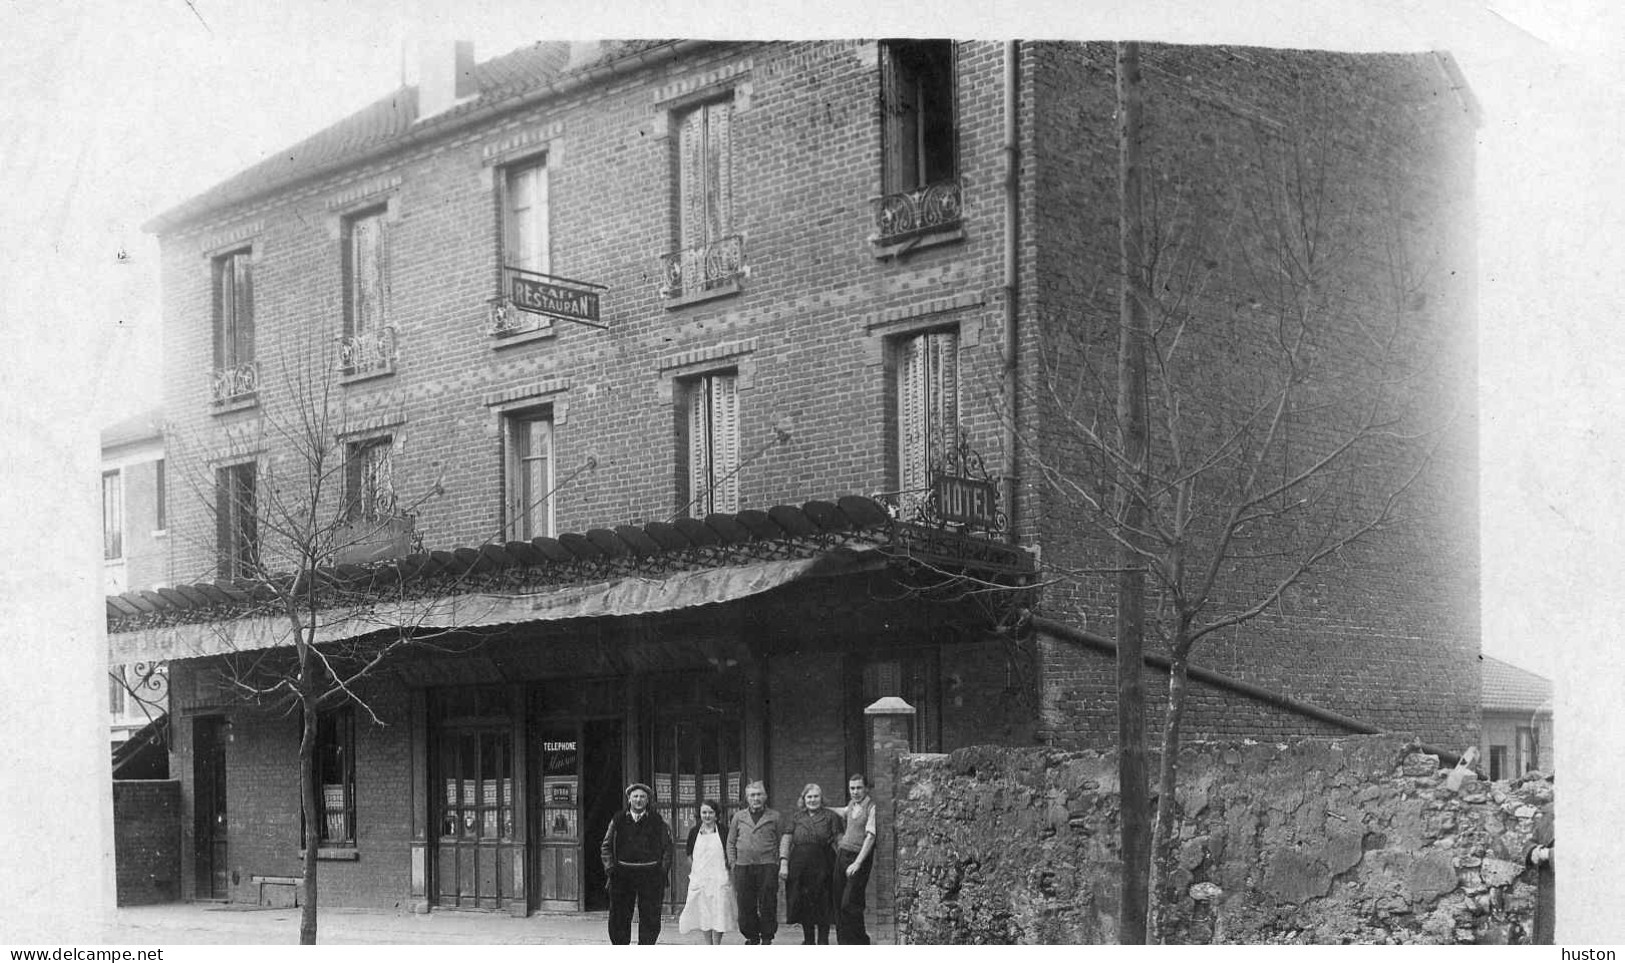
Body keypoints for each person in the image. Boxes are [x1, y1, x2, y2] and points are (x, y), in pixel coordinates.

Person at [600, 782, 672, 945]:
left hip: (651, 874)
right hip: (623, 874)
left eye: (642, 797)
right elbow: (606, 845)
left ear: (648, 800)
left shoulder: (657, 820)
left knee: (651, 916)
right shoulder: (618, 820)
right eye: (635, 796)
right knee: (619, 915)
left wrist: (662, 871)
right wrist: (610, 869)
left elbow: (668, 848)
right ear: (629, 799)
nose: (638, 800)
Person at [779, 782, 844, 945]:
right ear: (804, 799)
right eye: (809, 797)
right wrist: (784, 862)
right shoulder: (796, 817)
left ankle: (823, 940)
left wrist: (844, 862)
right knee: (804, 903)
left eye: (816, 796)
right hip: (800, 866)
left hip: (824, 864)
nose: (812, 800)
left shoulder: (831, 816)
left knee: (824, 902)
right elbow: (786, 839)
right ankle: (808, 940)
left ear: (821, 799)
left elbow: (839, 840)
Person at [727, 780, 781, 945]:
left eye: (759, 794)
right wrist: (733, 863)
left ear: (765, 797)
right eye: (752, 795)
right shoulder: (738, 816)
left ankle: (766, 936)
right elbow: (730, 842)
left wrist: (777, 864)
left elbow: (781, 841)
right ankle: (751, 936)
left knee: (768, 902)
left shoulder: (774, 816)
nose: (756, 798)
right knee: (745, 903)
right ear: (747, 798)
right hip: (743, 867)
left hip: (767, 866)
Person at [827, 774, 877, 944]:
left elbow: (870, 837)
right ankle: (844, 944)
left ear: (866, 789)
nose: (855, 792)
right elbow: (843, 811)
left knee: (850, 903)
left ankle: (860, 942)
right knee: (838, 901)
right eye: (852, 788)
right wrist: (825, 807)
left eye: (859, 788)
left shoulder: (871, 807)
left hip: (859, 858)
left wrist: (857, 863)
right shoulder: (852, 804)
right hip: (842, 855)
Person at [679, 800, 738, 944]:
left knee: (719, 910)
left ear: (717, 815)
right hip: (701, 878)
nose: (707, 815)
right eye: (704, 812)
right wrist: (697, 872)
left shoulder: (724, 831)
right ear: (700, 814)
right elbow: (689, 854)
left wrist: (727, 871)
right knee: (703, 911)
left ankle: (716, 944)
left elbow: (730, 851)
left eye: (710, 812)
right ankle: (708, 944)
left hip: (719, 877)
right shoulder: (694, 832)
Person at [1526, 801, 1555, 944]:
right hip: (1547, 890)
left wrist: (1549, 854)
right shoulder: (1550, 810)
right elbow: (1532, 840)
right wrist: (1532, 851)